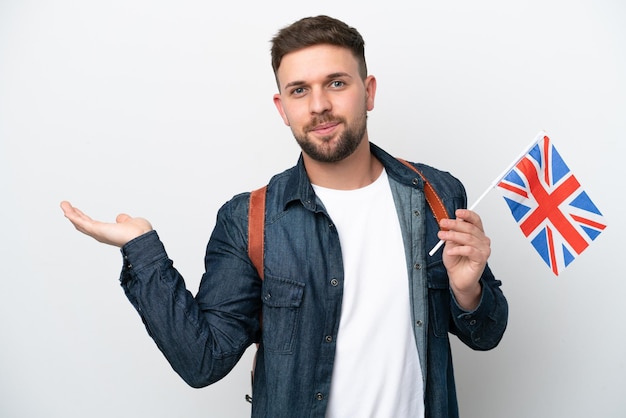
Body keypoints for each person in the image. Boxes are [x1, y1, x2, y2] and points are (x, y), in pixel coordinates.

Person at [61, 15, 508, 418]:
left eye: (336, 83)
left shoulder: (435, 194)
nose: (318, 106)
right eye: (300, 90)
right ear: (282, 108)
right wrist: (142, 250)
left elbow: (485, 335)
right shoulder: (249, 220)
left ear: (368, 92)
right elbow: (203, 361)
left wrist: (468, 291)